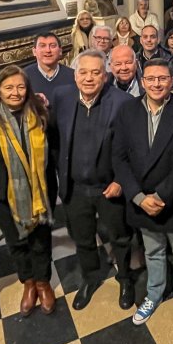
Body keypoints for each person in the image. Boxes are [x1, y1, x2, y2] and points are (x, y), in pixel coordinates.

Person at [113, 59, 173, 335]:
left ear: (172, 81)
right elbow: (119, 157)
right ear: (142, 81)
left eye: (162, 78)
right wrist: (139, 197)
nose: (156, 84)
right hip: (141, 200)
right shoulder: (128, 110)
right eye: (150, 79)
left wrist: (160, 196)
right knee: (152, 252)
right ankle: (153, 294)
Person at [51, 50, 134, 311]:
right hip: (75, 187)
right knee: (83, 238)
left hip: (109, 187)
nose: (89, 78)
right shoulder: (62, 97)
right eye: (83, 72)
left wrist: (121, 180)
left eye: (95, 72)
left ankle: (126, 279)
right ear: (75, 76)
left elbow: (132, 147)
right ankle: (90, 278)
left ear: (106, 76)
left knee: (120, 237)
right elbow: (55, 138)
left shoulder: (121, 102)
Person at [0, 66, 54, 316]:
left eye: (21, 87)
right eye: (9, 87)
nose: (16, 92)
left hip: (40, 194)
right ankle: (28, 283)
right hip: (4, 196)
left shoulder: (40, 112)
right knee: (17, 244)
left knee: (41, 242)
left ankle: (43, 283)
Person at [24, 32, 75, 107]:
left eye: (52, 46)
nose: (48, 50)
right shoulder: (24, 76)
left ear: (60, 51)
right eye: (42, 46)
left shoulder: (73, 76)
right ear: (34, 51)